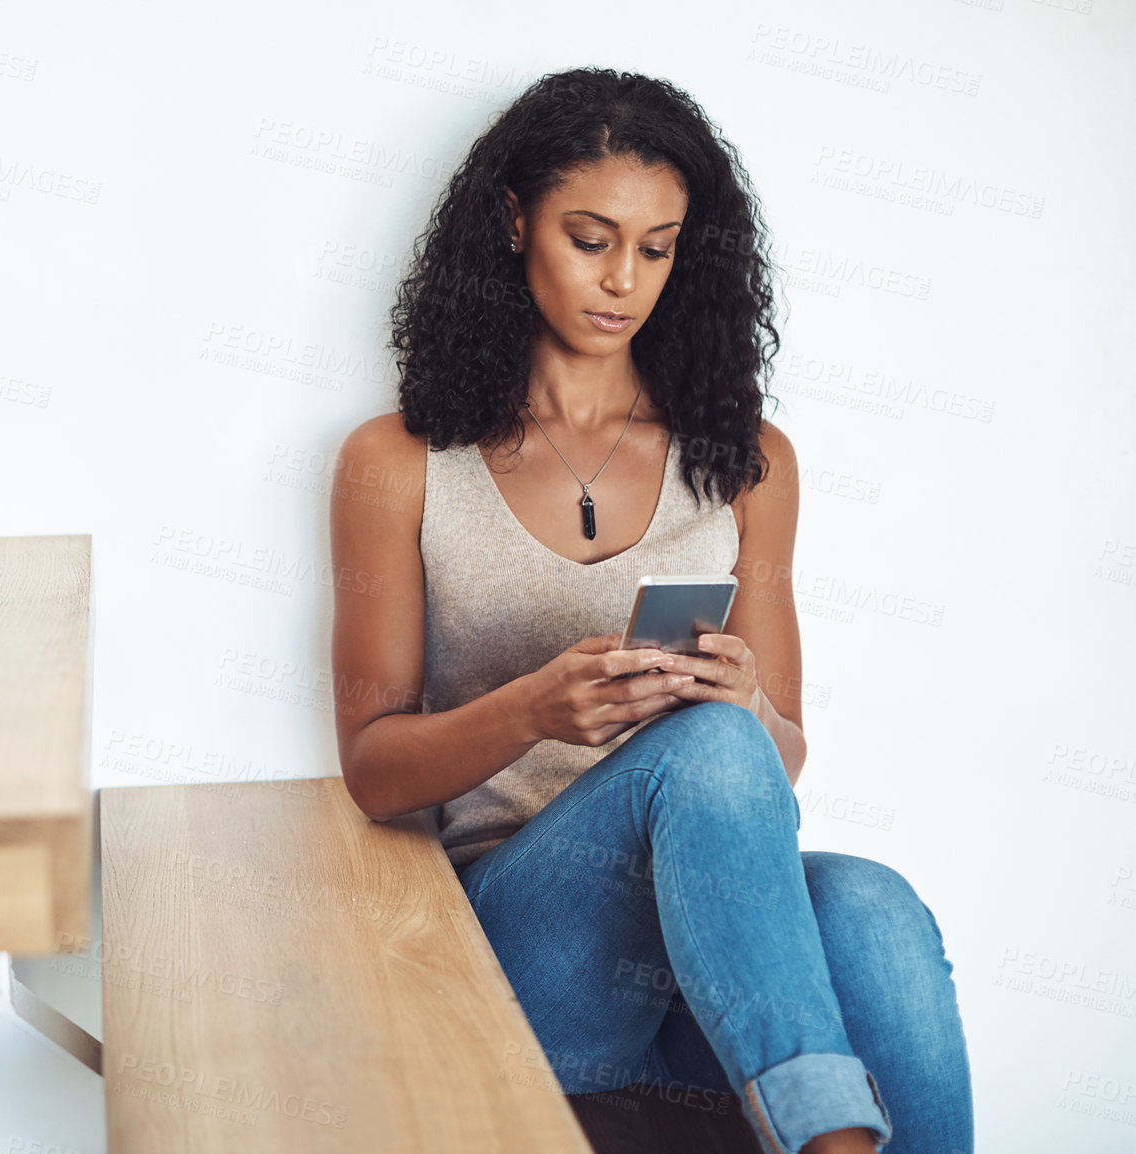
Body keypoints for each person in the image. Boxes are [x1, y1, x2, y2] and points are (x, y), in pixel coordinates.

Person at [328, 67, 972, 1154]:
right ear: (513, 220)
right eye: (591, 238)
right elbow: (373, 764)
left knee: (873, 900)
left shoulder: (748, 462)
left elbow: (783, 758)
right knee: (712, 749)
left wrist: (749, 701)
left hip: (694, 968)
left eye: (658, 247)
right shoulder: (397, 461)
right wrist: (533, 708)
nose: (624, 278)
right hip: (528, 951)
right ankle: (832, 1142)